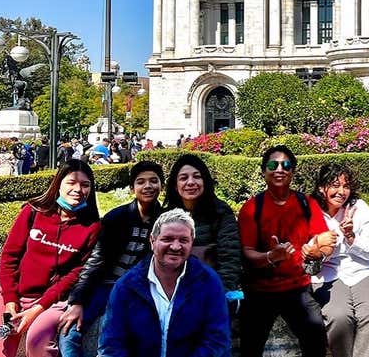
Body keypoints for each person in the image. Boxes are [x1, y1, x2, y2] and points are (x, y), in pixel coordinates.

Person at [0, 160, 101, 357]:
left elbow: (75, 274)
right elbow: (9, 257)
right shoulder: (33, 212)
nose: (78, 189)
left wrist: (38, 309)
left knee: (37, 341)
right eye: (71, 182)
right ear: (58, 184)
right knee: (0, 353)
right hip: (13, 295)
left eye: (85, 185)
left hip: (51, 302)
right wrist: (10, 301)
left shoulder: (91, 226)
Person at [57, 161, 165, 357]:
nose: (147, 186)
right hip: (105, 286)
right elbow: (96, 260)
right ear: (132, 188)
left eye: (153, 181)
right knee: (69, 331)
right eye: (141, 182)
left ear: (162, 186)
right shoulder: (117, 217)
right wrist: (77, 300)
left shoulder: (165, 221)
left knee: (112, 336)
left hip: (138, 290)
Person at [237, 145, 334, 357]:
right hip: (259, 290)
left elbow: (324, 243)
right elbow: (247, 253)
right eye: (273, 164)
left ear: (293, 172)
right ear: (264, 172)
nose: (279, 169)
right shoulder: (252, 208)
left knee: (316, 340)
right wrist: (271, 257)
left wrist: (317, 251)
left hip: (297, 288)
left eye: (286, 165)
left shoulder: (306, 203)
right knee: (249, 347)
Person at [98, 209, 231, 357]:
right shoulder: (127, 286)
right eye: (167, 239)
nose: (175, 247)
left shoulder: (208, 282)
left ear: (191, 243)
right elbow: (112, 344)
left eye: (183, 240)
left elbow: (217, 340)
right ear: (152, 241)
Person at [309, 163, 369, 357]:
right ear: (321, 187)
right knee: (338, 316)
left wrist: (351, 237)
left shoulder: (359, 208)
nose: (341, 191)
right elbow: (308, 252)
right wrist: (322, 246)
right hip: (328, 274)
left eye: (346, 186)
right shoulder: (311, 211)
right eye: (335, 185)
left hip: (363, 271)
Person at [163, 153, 242, 313]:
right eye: (183, 178)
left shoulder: (220, 212)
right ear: (175, 184)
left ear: (205, 181)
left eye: (197, 177)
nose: (191, 182)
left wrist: (218, 294)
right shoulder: (166, 216)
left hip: (212, 290)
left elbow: (230, 258)